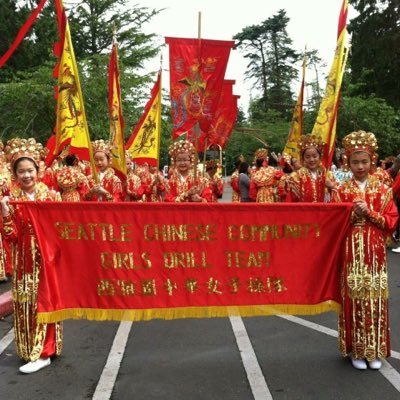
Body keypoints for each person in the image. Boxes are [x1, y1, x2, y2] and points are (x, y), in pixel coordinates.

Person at [332, 130, 398, 370]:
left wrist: (369, 212)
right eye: (355, 161)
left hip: (375, 249)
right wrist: (352, 214)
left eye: (364, 161)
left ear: (372, 161)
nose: (360, 166)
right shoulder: (341, 190)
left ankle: (375, 349)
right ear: (347, 162)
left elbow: (391, 221)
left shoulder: (383, 189)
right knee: (353, 297)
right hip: (350, 249)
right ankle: (356, 350)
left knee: (375, 298)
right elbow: (333, 224)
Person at [1, 138, 63, 374]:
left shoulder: (52, 197)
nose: (26, 175)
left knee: (46, 302)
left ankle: (45, 351)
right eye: (21, 172)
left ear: (38, 170)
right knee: (26, 305)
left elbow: (61, 231)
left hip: (47, 261)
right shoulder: (13, 201)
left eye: (30, 170)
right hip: (23, 262)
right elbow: (12, 235)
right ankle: (30, 350)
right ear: (14, 174)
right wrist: (5, 212)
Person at [286, 133, 335, 202]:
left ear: (320, 157)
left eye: (315, 156)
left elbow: (337, 199)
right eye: (307, 157)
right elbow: (291, 201)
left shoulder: (328, 174)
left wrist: (332, 187)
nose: (312, 160)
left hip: (324, 212)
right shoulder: (296, 177)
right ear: (303, 159)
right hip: (304, 211)